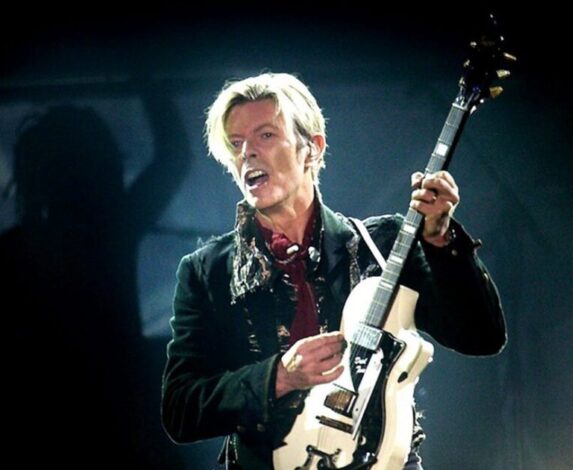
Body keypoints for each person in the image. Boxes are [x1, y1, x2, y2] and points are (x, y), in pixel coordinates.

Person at [161, 72, 506, 469]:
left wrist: (441, 241)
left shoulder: (383, 245)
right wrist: (280, 376)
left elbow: (481, 336)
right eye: (236, 144)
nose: (247, 153)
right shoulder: (208, 271)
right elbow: (180, 409)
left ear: (313, 148)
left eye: (266, 136)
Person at [1, 89, 191, 467]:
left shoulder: (14, 251)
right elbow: (173, 158)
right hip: (122, 424)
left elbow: (173, 159)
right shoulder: (112, 233)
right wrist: (148, 77)